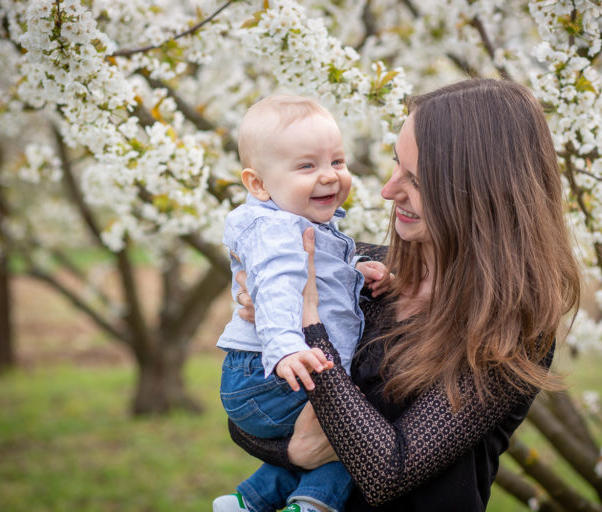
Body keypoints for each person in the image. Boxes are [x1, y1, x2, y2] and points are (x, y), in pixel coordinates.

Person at [228, 79, 582, 510]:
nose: (388, 190)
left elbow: (388, 472)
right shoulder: (357, 272)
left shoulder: (511, 331)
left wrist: (310, 326)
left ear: (480, 192)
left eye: (415, 179)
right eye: (397, 165)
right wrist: (289, 451)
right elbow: (250, 412)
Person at [213, 95, 389, 512]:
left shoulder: (301, 223)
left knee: (331, 433)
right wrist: (286, 348)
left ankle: (247, 502)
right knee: (358, 432)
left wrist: (356, 272)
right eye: (307, 166)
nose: (329, 177)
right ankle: (312, 504)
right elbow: (275, 288)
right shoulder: (276, 230)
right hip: (270, 371)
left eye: (338, 162)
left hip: (264, 373)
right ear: (258, 184)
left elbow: (320, 273)